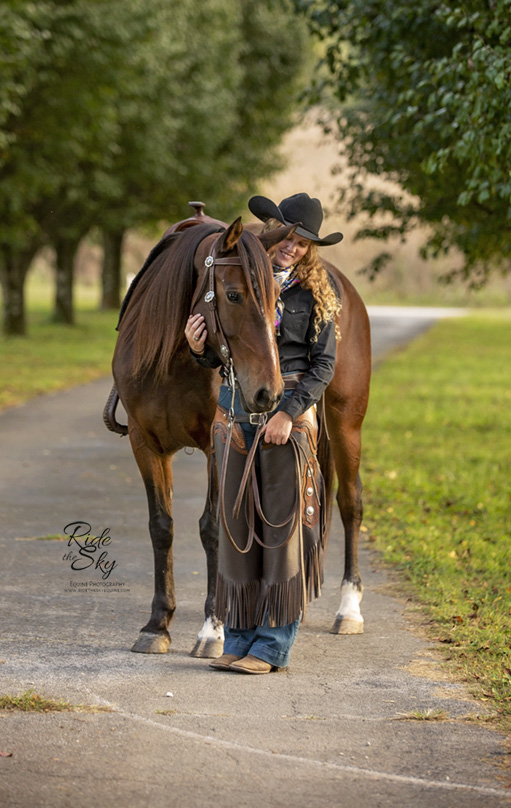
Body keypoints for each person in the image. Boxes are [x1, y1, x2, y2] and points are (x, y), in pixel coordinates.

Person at [184, 192, 342, 674]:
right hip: (234, 414)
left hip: (285, 416)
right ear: (272, 234)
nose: (291, 246)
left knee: (280, 532)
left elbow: (324, 366)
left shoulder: (317, 291)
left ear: (311, 248)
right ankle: (238, 637)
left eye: (302, 241)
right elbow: (226, 354)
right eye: (286, 235)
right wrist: (199, 351)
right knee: (236, 530)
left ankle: (272, 647)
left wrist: (289, 414)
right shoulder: (241, 277)